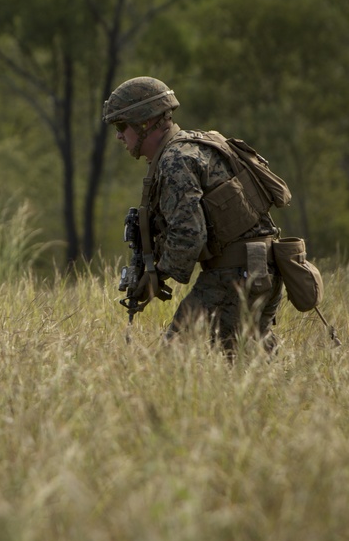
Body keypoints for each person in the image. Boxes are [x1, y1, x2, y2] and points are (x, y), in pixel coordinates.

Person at [103, 76, 285, 354]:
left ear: (144, 123)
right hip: (260, 268)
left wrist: (155, 276)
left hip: (235, 275)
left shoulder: (175, 160)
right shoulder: (198, 144)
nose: (118, 135)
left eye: (120, 125)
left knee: (175, 360)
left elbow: (190, 235)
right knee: (249, 363)